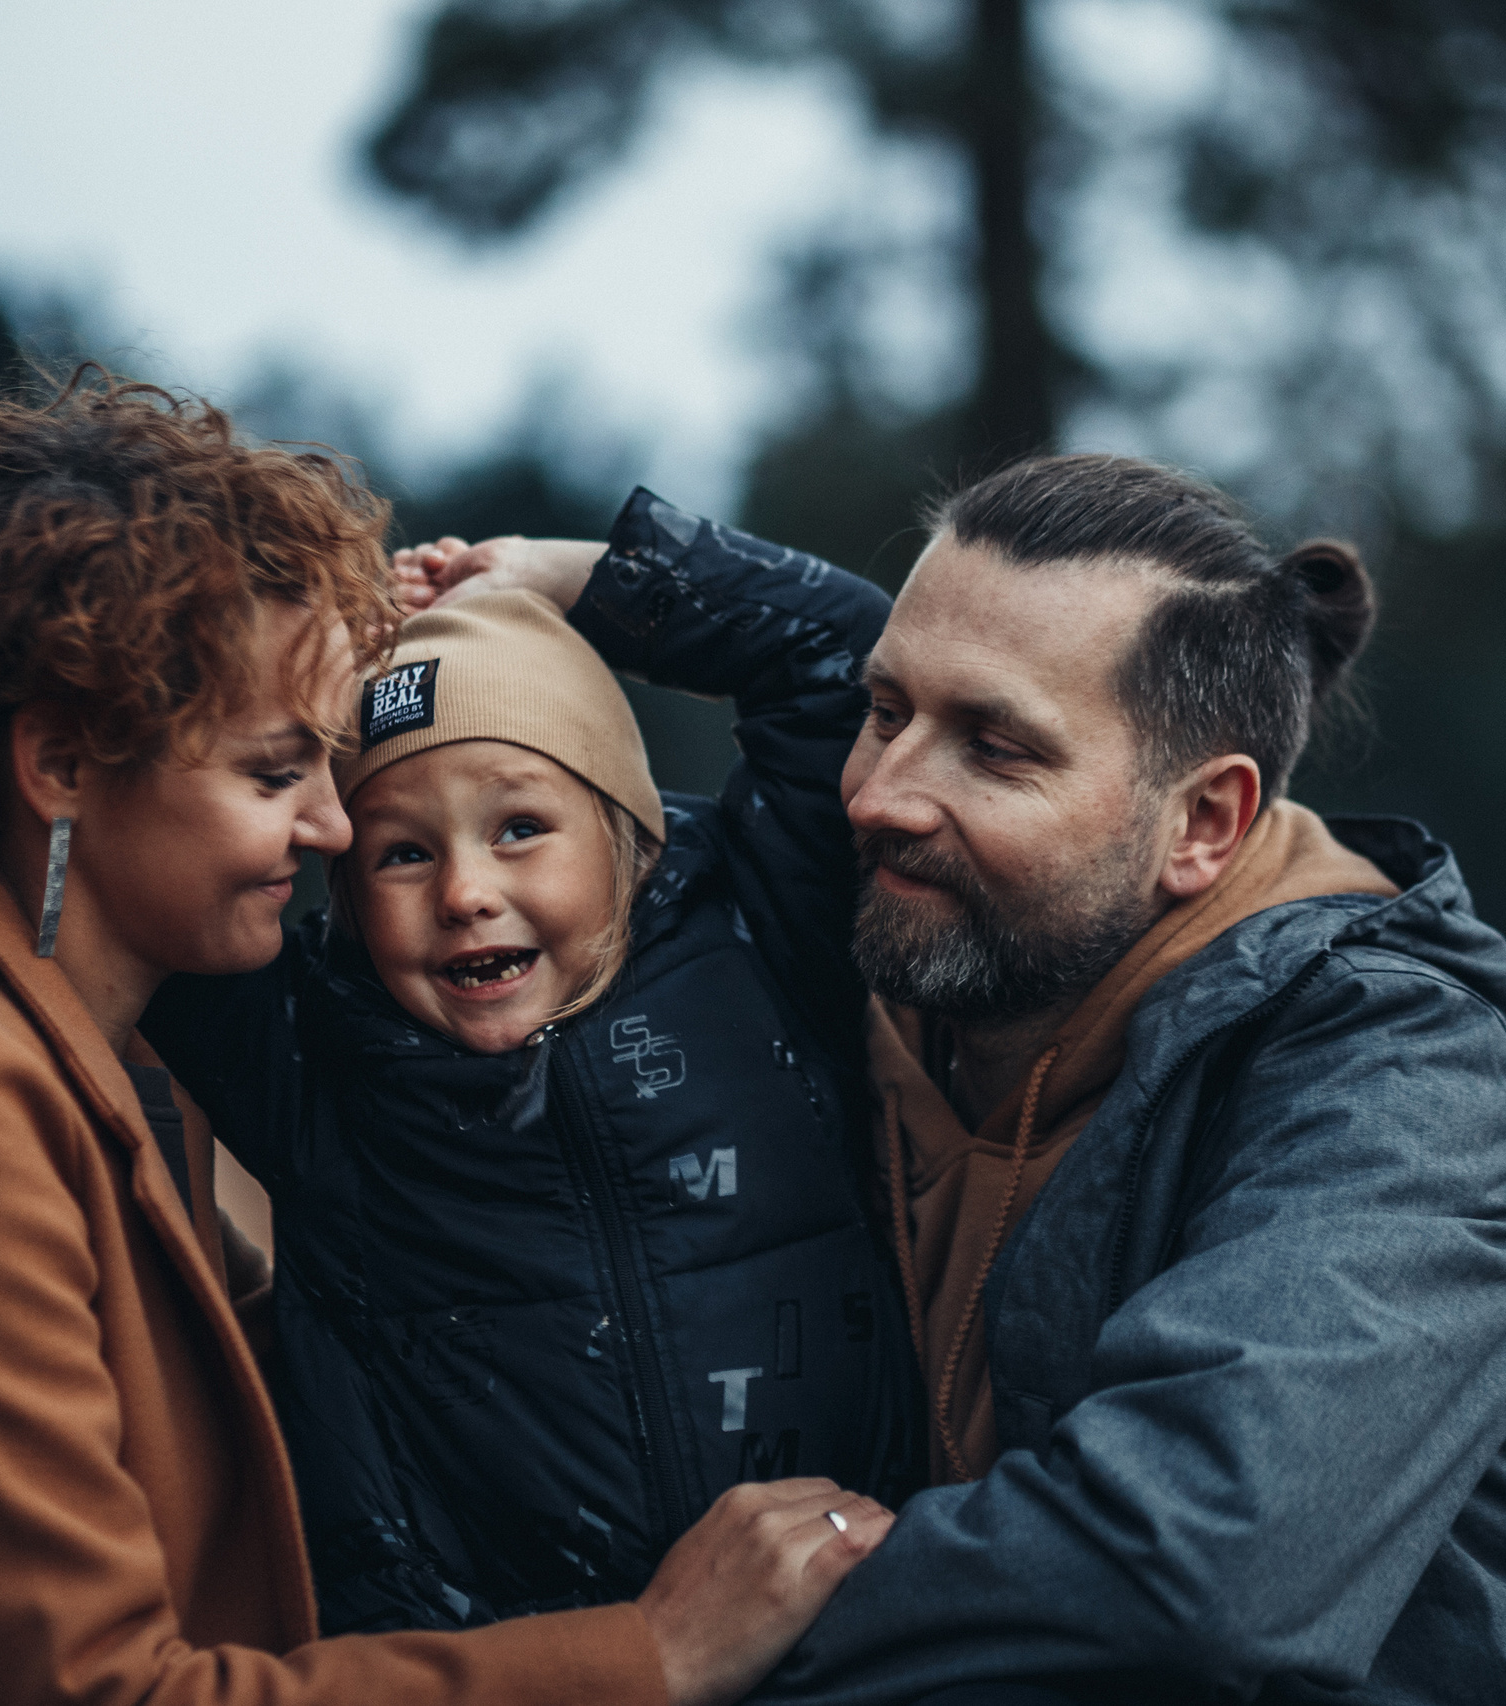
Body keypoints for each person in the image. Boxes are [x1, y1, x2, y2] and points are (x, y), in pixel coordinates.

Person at [0, 375, 891, 1706]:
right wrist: (648, 1655)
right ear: (61, 768)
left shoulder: (85, 1063)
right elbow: (102, 1685)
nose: (333, 829)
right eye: (272, 770)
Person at [726, 452, 1506, 1703]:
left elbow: (1195, 1562)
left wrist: (685, 1648)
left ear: (1202, 825)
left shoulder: (1400, 1066)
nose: (877, 793)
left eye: (994, 745)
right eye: (884, 708)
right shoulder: (925, 947)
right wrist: (628, 580)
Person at [139, 490, 920, 1635]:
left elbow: (847, 650)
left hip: (852, 1632)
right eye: (401, 851)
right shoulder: (318, 1050)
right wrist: (287, 664)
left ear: (623, 828)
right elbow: (154, 829)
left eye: (518, 827)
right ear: (344, 890)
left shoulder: (759, 930)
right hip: (508, 1670)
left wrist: (570, 577)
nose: (464, 892)